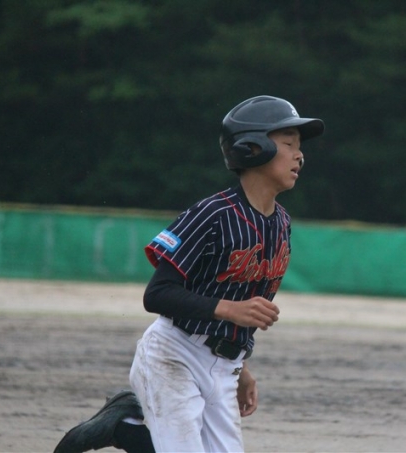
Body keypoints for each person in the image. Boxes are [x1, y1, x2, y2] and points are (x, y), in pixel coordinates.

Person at [54, 95, 324, 453]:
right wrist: (228, 310)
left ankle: (128, 427)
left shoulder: (281, 224)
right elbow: (157, 294)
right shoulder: (212, 214)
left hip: (224, 367)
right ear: (253, 148)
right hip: (173, 355)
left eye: (299, 147)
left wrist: (241, 368)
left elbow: (244, 308)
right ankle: (123, 428)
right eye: (289, 144)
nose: (299, 155)